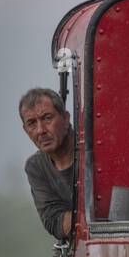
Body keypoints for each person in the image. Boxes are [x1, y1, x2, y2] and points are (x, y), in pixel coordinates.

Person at [20, 88, 75, 238]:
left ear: (65, 118)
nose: (40, 130)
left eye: (47, 118)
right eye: (32, 123)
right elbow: (54, 222)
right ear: (25, 130)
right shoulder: (36, 167)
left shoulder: (92, 148)